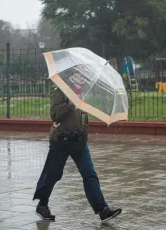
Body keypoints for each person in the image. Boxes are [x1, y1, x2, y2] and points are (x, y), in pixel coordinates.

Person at [33, 85, 122, 222]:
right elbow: (54, 115)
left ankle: (102, 210)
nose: (79, 77)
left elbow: (83, 116)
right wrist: (69, 102)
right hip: (60, 140)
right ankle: (42, 205)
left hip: (79, 141)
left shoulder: (83, 91)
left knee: (90, 174)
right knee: (53, 174)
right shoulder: (59, 91)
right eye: (76, 75)